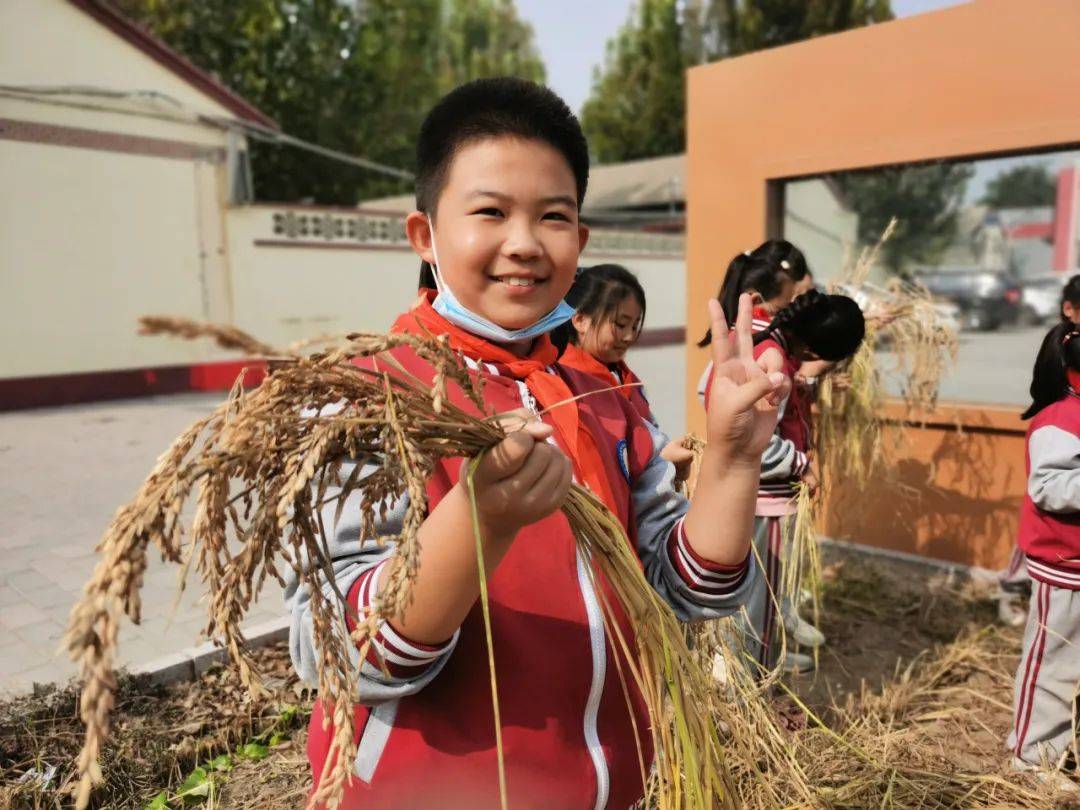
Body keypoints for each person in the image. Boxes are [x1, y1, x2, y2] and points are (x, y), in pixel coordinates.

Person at [285, 77, 786, 809]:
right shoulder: (369, 397)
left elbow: (687, 590)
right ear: (425, 235)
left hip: (608, 784)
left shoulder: (606, 395)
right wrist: (479, 522)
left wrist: (736, 457)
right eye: (489, 211)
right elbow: (338, 649)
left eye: (553, 218)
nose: (523, 244)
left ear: (580, 244)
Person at [700, 289, 865, 675]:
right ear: (812, 349)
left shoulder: (770, 349)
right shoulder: (774, 364)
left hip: (752, 498)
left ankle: (754, 666)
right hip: (767, 503)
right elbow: (758, 439)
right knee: (762, 601)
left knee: (754, 596)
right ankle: (753, 686)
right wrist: (801, 464)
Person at [1007, 321, 1080, 784]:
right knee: (1051, 664)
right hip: (1063, 565)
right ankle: (1032, 755)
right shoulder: (1059, 420)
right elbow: (1049, 487)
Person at [558, 263, 695, 481]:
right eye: (621, 324)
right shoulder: (566, 383)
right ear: (580, 320)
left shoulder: (625, 378)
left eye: (634, 326)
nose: (629, 336)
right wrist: (661, 460)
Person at [998, 274, 1080, 627]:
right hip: (1058, 553)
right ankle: (1013, 586)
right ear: (1069, 310)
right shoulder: (1060, 413)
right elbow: (1047, 486)